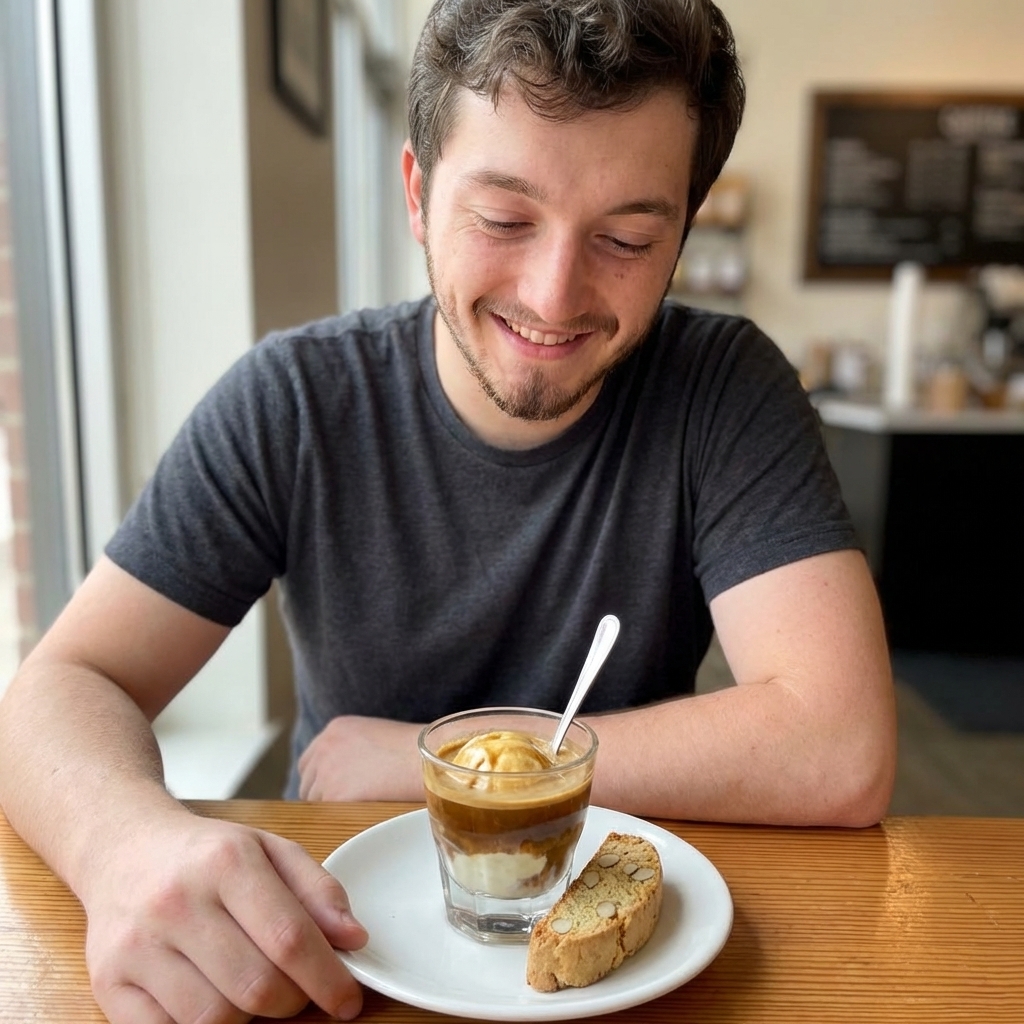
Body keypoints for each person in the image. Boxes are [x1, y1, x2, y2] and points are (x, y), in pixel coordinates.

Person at [0, 0, 896, 1021]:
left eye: (627, 237)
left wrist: (432, 760)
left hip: (631, 977)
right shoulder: (294, 401)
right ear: (418, 195)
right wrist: (122, 844)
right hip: (340, 948)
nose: (554, 295)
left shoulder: (726, 391)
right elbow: (62, 685)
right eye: (504, 220)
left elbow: (840, 744)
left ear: (683, 233)